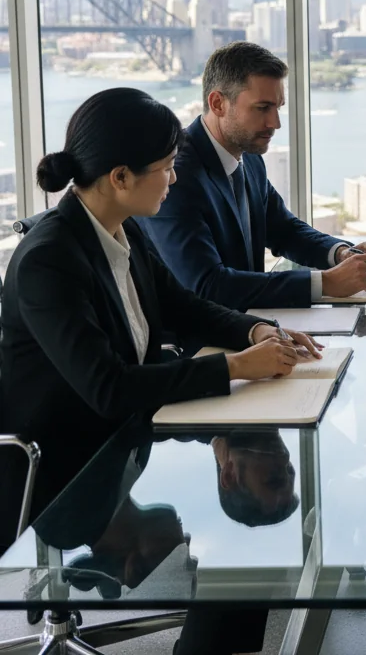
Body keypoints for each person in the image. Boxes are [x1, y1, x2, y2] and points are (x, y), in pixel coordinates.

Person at [0, 88, 322, 547]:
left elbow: (182, 305)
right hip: (66, 479)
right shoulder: (48, 261)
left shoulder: (122, 228)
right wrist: (236, 366)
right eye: (167, 167)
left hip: (128, 444)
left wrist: (256, 330)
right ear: (120, 177)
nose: (174, 178)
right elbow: (109, 388)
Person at [141, 42, 366, 310]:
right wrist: (324, 283)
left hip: (247, 323)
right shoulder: (175, 176)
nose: (275, 123)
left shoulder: (249, 155)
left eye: (278, 107)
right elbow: (206, 285)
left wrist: (341, 253)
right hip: (199, 333)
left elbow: (283, 230)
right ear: (218, 103)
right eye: (262, 108)